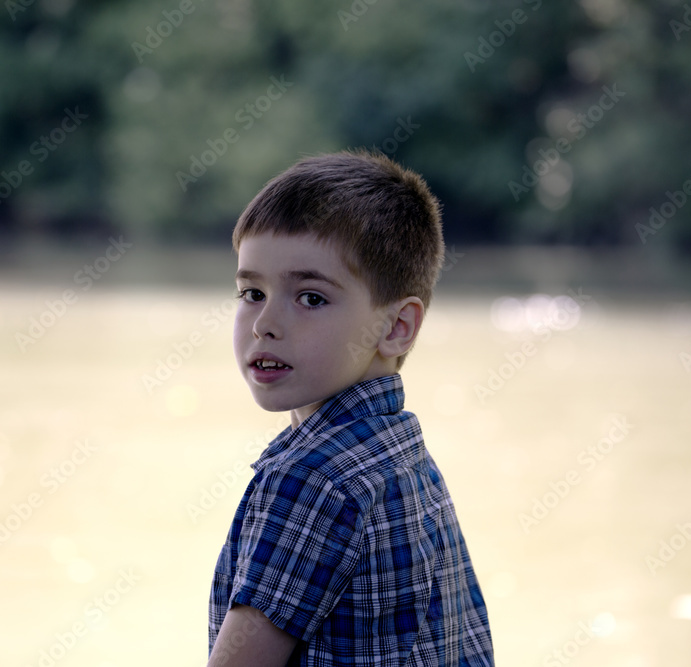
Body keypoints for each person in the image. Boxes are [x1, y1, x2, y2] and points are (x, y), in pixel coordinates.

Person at [207, 150, 494, 666]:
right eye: (252, 291)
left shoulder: (310, 480)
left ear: (397, 326)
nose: (263, 324)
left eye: (311, 298)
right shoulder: (402, 455)